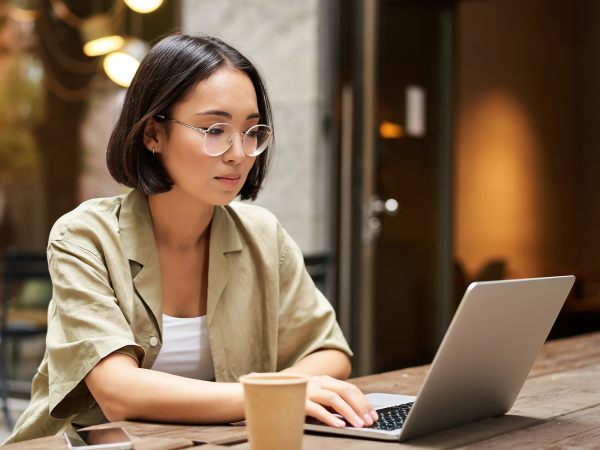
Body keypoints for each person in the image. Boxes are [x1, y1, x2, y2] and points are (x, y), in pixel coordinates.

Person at [5, 34, 378, 444]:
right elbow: (118, 392)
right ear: (153, 134)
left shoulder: (262, 234)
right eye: (214, 129)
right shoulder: (84, 236)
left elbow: (329, 353)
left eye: (251, 130)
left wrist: (278, 393)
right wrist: (271, 395)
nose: (239, 152)